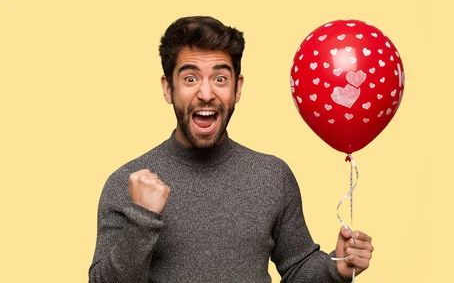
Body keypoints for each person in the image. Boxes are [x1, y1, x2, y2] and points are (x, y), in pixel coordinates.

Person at [88, 15, 374, 282]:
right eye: (190, 78)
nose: (206, 93)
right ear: (168, 89)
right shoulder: (128, 183)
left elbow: (297, 265)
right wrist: (143, 219)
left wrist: (338, 266)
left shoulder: (271, 176)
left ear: (237, 89)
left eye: (220, 78)